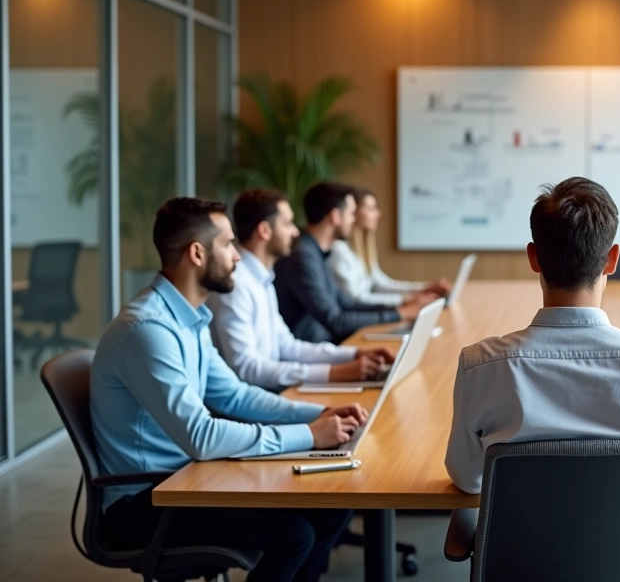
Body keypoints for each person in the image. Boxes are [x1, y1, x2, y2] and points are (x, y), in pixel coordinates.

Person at [91, 197, 366, 582]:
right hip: (148, 502)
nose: (238, 256)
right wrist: (306, 435)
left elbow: (235, 395)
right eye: (228, 244)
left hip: (188, 480)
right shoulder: (148, 331)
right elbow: (200, 436)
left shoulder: (188, 319)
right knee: (294, 535)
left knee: (332, 507)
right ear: (198, 253)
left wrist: (317, 415)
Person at [444, 177, 620, 493]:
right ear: (612, 260)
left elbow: (468, 478)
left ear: (534, 258)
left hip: (520, 543)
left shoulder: (480, 367)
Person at [208, 189, 396, 390]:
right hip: (255, 406)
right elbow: (247, 369)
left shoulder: (262, 279)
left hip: (274, 393)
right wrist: (336, 373)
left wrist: (353, 355)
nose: (295, 231)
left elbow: (288, 346)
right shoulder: (237, 285)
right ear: (265, 231)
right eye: (287, 224)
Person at [275, 182, 439, 343]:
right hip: (315, 349)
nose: (354, 220)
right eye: (351, 214)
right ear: (335, 216)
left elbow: (347, 303)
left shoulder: (316, 251)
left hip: (326, 345)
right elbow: (336, 321)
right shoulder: (303, 255)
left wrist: (400, 310)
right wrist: (401, 312)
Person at [328, 187, 451, 307]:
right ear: (354, 212)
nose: (378, 214)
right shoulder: (339, 250)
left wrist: (422, 289)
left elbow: (380, 284)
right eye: (371, 209)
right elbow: (356, 299)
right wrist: (406, 299)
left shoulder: (362, 251)